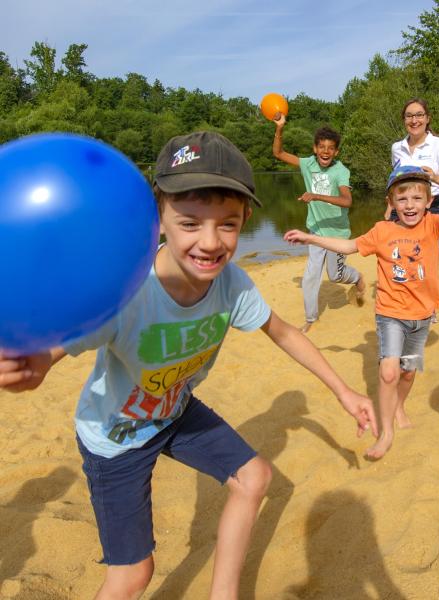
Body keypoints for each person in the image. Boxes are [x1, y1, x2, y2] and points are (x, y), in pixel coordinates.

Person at [0, 131, 377, 599]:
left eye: (229, 224)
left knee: (254, 477)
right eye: (190, 222)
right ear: (158, 220)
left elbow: (283, 332)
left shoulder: (232, 285)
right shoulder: (128, 292)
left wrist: (343, 391)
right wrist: (31, 365)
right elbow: (52, 351)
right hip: (115, 438)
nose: (211, 241)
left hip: (175, 412)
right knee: (134, 574)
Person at [286, 166, 439, 460]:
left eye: (417, 198)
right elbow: (349, 246)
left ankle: (399, 405)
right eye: (402, 200)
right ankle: (387, 431)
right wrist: (311, 238)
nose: (410, 205)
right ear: (391, 202)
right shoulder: (382, 231)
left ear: (428, 201)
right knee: (389, 372)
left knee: (408, 371)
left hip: (423, 316)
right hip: (390, 314)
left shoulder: (433, 224)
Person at [272, 115, 366, 333]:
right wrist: (279, 128)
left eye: (330, 148)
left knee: (335, 275)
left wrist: (316, 196)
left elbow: (347, 201)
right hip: (315, 230)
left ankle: (358, 277)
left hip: (337, 234)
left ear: (336, 152)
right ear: (315, 148)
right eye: (321, 147)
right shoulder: (308, 164)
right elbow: (277, 153)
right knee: (311, 276)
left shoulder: (340, 171)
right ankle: (311, 319)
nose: (325, 151)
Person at [384, 98, 439, 246]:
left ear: (427, 118)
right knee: (399, 260)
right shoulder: (396, 148)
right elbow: (396, 183)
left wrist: (434, 177)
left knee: (425, 262)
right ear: (404, 119)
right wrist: (389, 208)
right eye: (409, 116)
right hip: (400, 209)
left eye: (419, 115)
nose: (414, 120)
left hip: (431, 207)